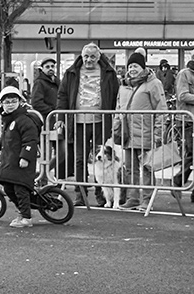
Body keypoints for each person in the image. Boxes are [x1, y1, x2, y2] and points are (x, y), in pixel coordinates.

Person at [56, 43, 120, 206]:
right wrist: (60, 117)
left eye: (92, 56)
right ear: (81, 56)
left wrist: (116, 118)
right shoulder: (71, 72)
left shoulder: (109, 73)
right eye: (86, 56)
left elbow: (115, 96)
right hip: (77, 122)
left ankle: (102, 196)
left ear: (99, 57)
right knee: (79, 159)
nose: (88, 60)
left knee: (102, 161)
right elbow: (62, 95)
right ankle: (80, 194)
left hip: (101, 121)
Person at [113, 51, 165, 212]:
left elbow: (161, 109)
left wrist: (158, 133)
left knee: (147, 168)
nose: (132, 69)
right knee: (130, 169)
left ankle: (147, 200)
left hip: (146, 133)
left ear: (143, 67)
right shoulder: (124, 84)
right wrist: (116, 125)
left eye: (135, 66)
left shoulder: (154, 83)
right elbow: (118, 107)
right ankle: (132, 198)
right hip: (128, 135)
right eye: (130, 66)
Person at [0, 86, 41, 228]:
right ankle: (22, 212)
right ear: (2, 104)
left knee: (21, 189)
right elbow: (4, 138)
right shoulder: (9, 120)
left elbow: (30, 140)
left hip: (21, 162)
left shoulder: (24, 120)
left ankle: (27, 218)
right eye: (7, 102)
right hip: (11, 160)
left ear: (20, 102)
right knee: (8, 188)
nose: (10, 104)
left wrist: (25, 157)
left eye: (13, 101)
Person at [172, 58, 194, 194]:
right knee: (190, 155)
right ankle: (178, 181)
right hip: (188, 120)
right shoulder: (184, 74)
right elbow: (182, 96)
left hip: (189, 119)